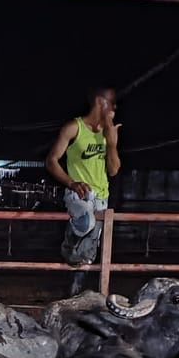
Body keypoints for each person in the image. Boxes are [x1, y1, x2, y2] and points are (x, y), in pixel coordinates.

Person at [45, 86, 122, 295]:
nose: (114, 107)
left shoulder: (108, 133)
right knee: (85, 223)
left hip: (102, 197)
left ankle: (73, 296)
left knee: (88, 255)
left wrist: (112, 143)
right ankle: (69, 243)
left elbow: (113, 170)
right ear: (100, 102)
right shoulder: (74, 127)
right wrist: (71, 183)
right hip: (79, 193)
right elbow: (51, 161)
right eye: (111, 102)